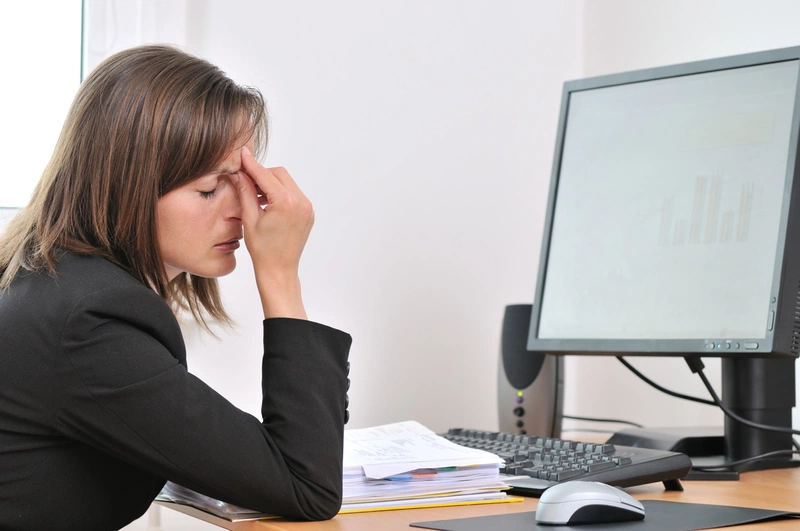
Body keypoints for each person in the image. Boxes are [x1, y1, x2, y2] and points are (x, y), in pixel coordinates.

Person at [0, 45, 351, 530]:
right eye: (210, 188)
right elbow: (306, 487)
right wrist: (280, 275)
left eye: (244, 180)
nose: (242, 210)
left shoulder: (53, 283)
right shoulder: (87, 322)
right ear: (128, 188)